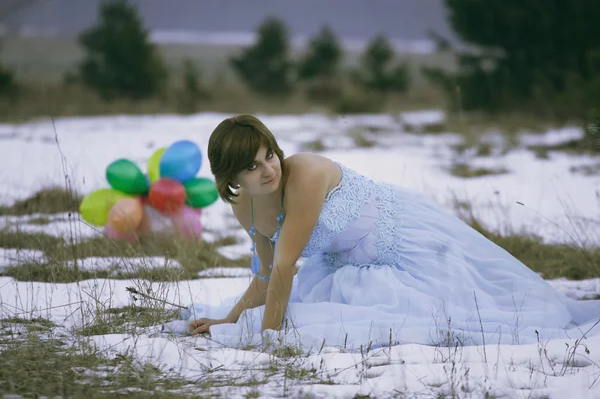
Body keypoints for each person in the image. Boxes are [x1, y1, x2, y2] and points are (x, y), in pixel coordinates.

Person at [185, 114, 600, 352]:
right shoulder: (245, 205)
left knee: (497, 307)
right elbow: (267, 274)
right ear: (232, 177)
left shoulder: (304, 174)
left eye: (269, 154)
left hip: (404, 239)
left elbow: (286, 266)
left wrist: (268, 341)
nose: (269, 168)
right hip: (349, 264)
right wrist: (231, 318)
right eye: (253, 166)